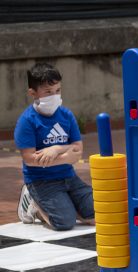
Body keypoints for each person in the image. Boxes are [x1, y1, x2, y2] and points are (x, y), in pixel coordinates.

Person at [14, 62, 93, 230]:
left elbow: (77, 149)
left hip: (69, 177)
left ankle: (65, 203)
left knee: (98, 212)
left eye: (57, 90)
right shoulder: (27, 121)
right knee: (64, 223)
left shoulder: (66, 115)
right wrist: (66, 156)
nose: (54, 96)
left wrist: (56, 148)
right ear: (33, 93)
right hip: (41, 181)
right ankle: (33, 204)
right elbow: (29, 159)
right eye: (48, 92)